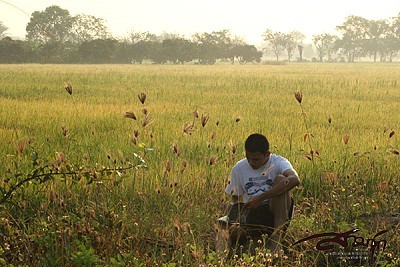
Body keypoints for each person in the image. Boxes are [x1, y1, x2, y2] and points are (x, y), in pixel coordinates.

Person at [223, 133, 300, 253]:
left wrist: (261, 197)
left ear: (267, 155)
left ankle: (276, 242)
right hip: (252, 214)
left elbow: (294, 179)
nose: (251, 162)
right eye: (248, 158)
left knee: (281, 180)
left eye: (255, 159)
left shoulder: (278, 162)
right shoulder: (239, 168)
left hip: (276, 212)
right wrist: (229, 208)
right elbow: (235, 198)